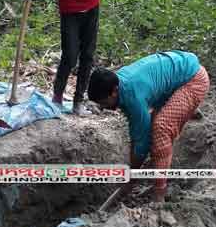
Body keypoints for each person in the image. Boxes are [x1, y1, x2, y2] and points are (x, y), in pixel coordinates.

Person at [88, 51, 209, 203]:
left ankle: (160, 191)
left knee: (161, 128)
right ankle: (186, 109)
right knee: (151, 127)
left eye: (104, 102)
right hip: (174, 82)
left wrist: (132, 177)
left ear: (114, 91)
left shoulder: (132, 95)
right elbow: (137, 132)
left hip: (193, 80)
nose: (104, 107)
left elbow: (141, 142)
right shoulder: (118, 83)